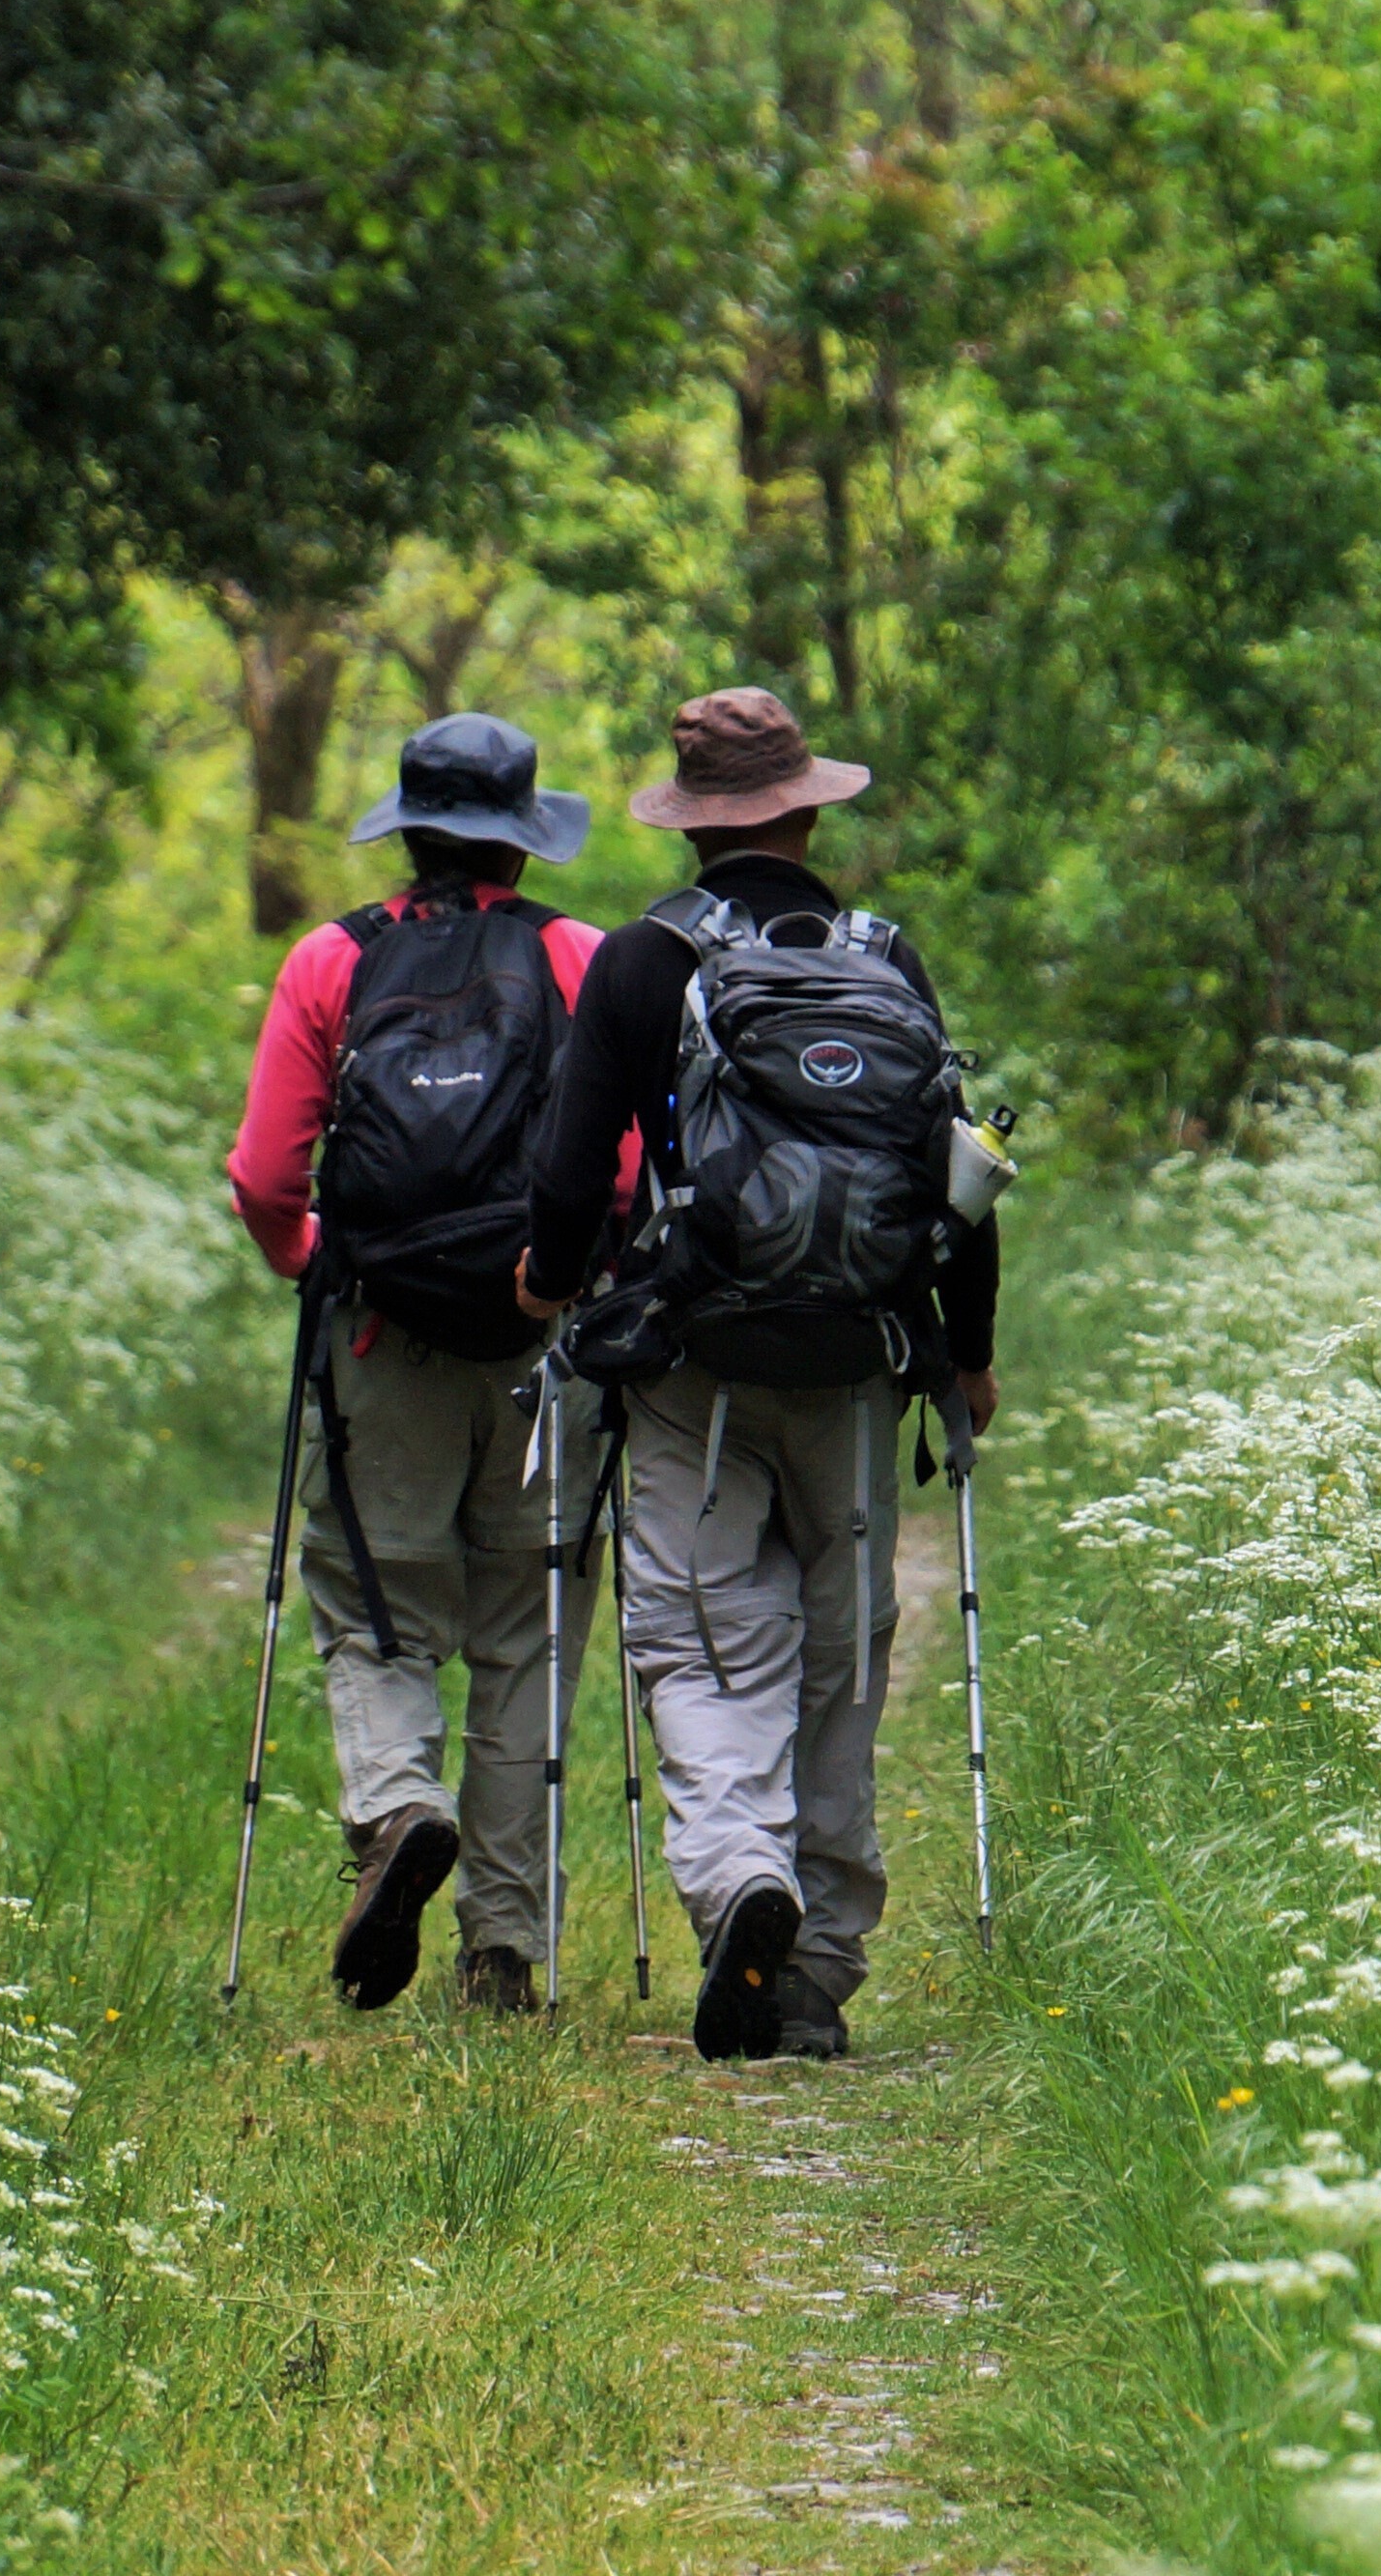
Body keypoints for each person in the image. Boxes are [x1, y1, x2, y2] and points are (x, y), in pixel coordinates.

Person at [515, 688, 998, 2063]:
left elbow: (570, 1169)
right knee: (841, 1658)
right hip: (859, 1363)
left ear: (691, 820)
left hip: (695, 1369)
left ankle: (742, 1879)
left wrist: (551, 1285)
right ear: (803, 807)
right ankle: (818, 1971)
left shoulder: (641, 960)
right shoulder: (882, 956)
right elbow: (957, 1170)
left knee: (700, 1637)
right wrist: (968, 1357)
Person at [226, 712, 615, 2017]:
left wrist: (315, 1262)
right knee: (526, 1628)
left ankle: (397, 1809)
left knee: (372, 1602)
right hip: (539, 1338)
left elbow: (269, 1174)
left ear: (407, 829)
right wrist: (559, 1281)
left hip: (379, 1334)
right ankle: (500, 1948)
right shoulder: (577, 958)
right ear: (521, 831)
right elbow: (620, 1169)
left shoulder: (333, 959)